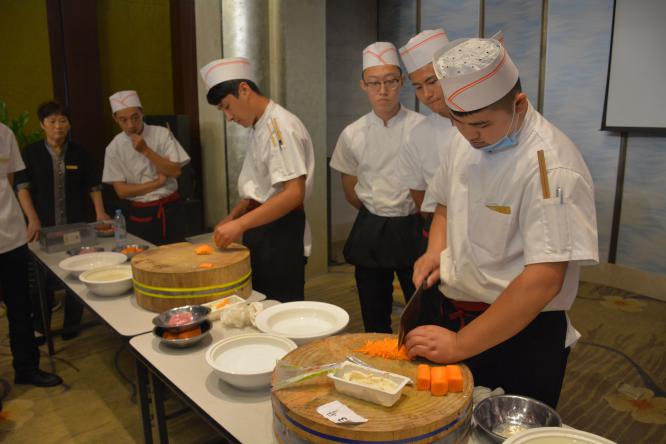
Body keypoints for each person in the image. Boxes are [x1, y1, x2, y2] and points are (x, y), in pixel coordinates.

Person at [408, 37, 599, 408]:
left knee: (504, 426)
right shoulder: (464, 138)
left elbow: (543, 280)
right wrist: (435, 250)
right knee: (448, 415)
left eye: (481, 124)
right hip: (456, 310)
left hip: (519, 327)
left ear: (519, 104)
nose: (470, 135)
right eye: (458, 122)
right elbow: (445, 201)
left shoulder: (551, 168)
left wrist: (460, 344)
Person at [200, 57, 314, 302]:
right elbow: (259, 188)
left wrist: (239, 225)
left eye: (227, 107)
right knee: (261, 302)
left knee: (279, 306)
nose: (229, 117)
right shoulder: (259, 125)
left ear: (244, 89)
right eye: (222, 111)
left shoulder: (279, 126)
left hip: (280, 231)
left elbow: (294, 193)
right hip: (262, 226)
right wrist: (233, 217)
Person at [330, 42, 425, 333]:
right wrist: (375, 209)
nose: (383, 90)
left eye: (390, 81)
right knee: (373, 310)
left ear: (402, 82)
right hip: (371, 227)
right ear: (363, 85)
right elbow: (350, 186)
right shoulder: (352, 133)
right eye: (374, 83)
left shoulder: (422, 128)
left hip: (413, 225)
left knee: (421, 309)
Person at [15, 100, 110, 340]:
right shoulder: (31, 153)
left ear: (69, 124)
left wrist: (100, 213)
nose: (58, 126)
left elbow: (93, 186)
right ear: (42, 125)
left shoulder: (79, 152)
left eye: (63, 121)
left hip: (76, 226)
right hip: (43, 227)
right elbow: (22, 188)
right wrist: (32, 220)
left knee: (77, 274)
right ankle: (41, 327)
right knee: (40, 280)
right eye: (52, 121)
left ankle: (71, 327)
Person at [0, 122, 63, 387]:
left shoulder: (4, 132)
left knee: (20, 308)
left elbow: (8, 180)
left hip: (11, 236)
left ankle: (26, 368)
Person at [102, 90, 190, 245]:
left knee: (179, 255)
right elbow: (122, 191)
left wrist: (146, 150)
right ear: (115, 119)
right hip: (140, 213)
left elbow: (175, 171)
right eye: (123, 120)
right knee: (145, 257)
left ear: (142, 113)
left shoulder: (162, 134)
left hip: (171, 208)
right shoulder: (113, 147)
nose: (131, 125)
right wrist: (157, 183)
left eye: (135, 117)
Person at [397, 29, 457, 214]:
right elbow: (418, 194)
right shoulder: (417, 135)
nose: (427, 94)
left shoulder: (487, 121)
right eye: (418, 87)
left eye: (432, 81)